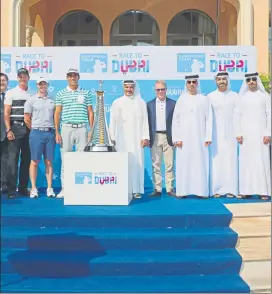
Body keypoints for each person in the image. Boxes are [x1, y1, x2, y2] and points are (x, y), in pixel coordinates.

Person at [54, 68, 94, 198]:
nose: (72, 78)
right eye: (70, 75)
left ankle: (80, 188)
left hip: (82, 128)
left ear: (78, 77)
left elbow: (90, 112)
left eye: (74, 75)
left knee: (82, 159)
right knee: (66, 159)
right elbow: (57, 113)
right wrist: (57, 131)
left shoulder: (86, 92)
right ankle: (65, 188)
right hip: (66, 128)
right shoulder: (61, 94)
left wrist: (91, 130)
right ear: (67, 78)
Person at [172, 74, 212, 199]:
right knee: (184, 163)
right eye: (189, 82)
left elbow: (209, 119)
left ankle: (201, 191)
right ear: (186, 84)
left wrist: (208, 137)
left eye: (194, 82)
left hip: (200, 139)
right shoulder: (181, 100)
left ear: (197, 83)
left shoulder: (204, 99)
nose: (191, 84)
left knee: (200, 163)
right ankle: (183, 191)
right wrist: (177, 138)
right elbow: (176, 120)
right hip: (184, 139)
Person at [109, 79, 149, 199]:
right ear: (123, 88)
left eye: (131, 87)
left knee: (137, 163)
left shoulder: (141, 103)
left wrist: (145, 137)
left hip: (137, 139)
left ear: (134, 88)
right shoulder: (117, 102)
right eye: (126, 87)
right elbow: (112, 121)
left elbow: (145, 121)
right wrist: (112, 137)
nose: (128, 89)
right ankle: (123, 188)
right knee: (122, 163)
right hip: (121, 139)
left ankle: (136, 190)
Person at [235, 72, 271, 200]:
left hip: (261, 136)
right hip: (246, 136)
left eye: (253, 79)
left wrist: (268, 133)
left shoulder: (265, 96)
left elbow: (269, 115)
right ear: (246, 81)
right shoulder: (242, 97)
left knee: (262, 161)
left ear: (257, 81)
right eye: (248, 79)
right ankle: (246, 191)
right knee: (246, 162)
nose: (251, 82)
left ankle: (263, 191)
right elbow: (237, 116)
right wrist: (238, 133)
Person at [208, 72, 239, 198]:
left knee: (230, 161)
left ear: (227, 80)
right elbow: (208, 118)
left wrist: (238, 132)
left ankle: (231, 189)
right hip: (215, 135)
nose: (221, 81)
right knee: (216, 161)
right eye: (219, 79)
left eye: (224, 79)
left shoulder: (235, 96)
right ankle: (216, 189)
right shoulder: (210, 97)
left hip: (232, 135)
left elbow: (239, 116)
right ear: (216, 81)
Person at [24, 77, 56, 199]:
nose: (42, 86)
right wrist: (35, 129)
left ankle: (49, 188)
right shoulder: (31, 100)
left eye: (44, 84)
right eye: (40, 84)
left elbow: (56, 116)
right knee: (34, 161)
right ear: (37, 85)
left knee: (48, 161)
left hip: (50, 132)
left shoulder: (53, 99)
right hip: (36, 132)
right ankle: (33, 188)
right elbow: (27, 117)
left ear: (48, 84)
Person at [4, 68, 32, 199]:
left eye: (24, 76)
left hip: (28, 130)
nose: (22, 78)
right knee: (12, 161)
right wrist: (8, 129)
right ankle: (11, 190)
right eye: (20, 76)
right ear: (17, 78)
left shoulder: (32, 94)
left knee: (26, 160)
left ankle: (22, 188)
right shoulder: (11, 93)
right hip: (14, 129)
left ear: (28, 78)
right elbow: (6, 113)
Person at [147, 80, 176, 197]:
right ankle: (157, 189)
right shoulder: (149, 105)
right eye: (158, 89)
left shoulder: (173, 104)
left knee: (169, 164)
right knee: (156, 164)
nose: (160, 91)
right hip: (155, 137)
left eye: (162, 89)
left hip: (168, 137)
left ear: (166, 90)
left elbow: (177, 123)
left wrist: (176, 137)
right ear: (155, 90)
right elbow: (147, 123)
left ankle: (169, 188)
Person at [0, 73, 9, 193]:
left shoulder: (10, 96)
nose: (1, 82)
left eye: (3, 80)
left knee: (6, 160)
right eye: (0, 80)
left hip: (7, 133)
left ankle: (4, 184)